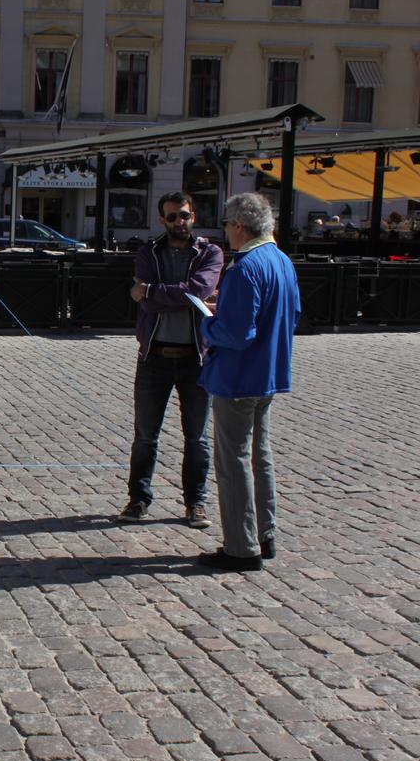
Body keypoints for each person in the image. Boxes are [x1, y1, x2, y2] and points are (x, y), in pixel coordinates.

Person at [197, 193, 300, 572]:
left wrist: (207, 322)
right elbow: (294, 314)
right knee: (261, 455)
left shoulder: (243, 268)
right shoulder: (282, 261)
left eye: (226, 225)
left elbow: (237, 333)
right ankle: (265, 533)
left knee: (233, 460)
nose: (224, 232)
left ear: (239, 226)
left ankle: (241, 547)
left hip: (239, 377)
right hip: (270, 374)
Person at [117, 192, 223, 530]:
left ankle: (196, 502)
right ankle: (139, 499)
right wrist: (181, 296)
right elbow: (177, 299)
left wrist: (151, 291)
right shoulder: (148, 252)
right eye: (173, 217)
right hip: (154, 356)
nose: (180, 222)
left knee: (197, 437)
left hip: (196, 358)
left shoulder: (210, 252)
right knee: (145, 435)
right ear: (162, 220)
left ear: (194, 217)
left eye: (185, 216)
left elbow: (200, 288)